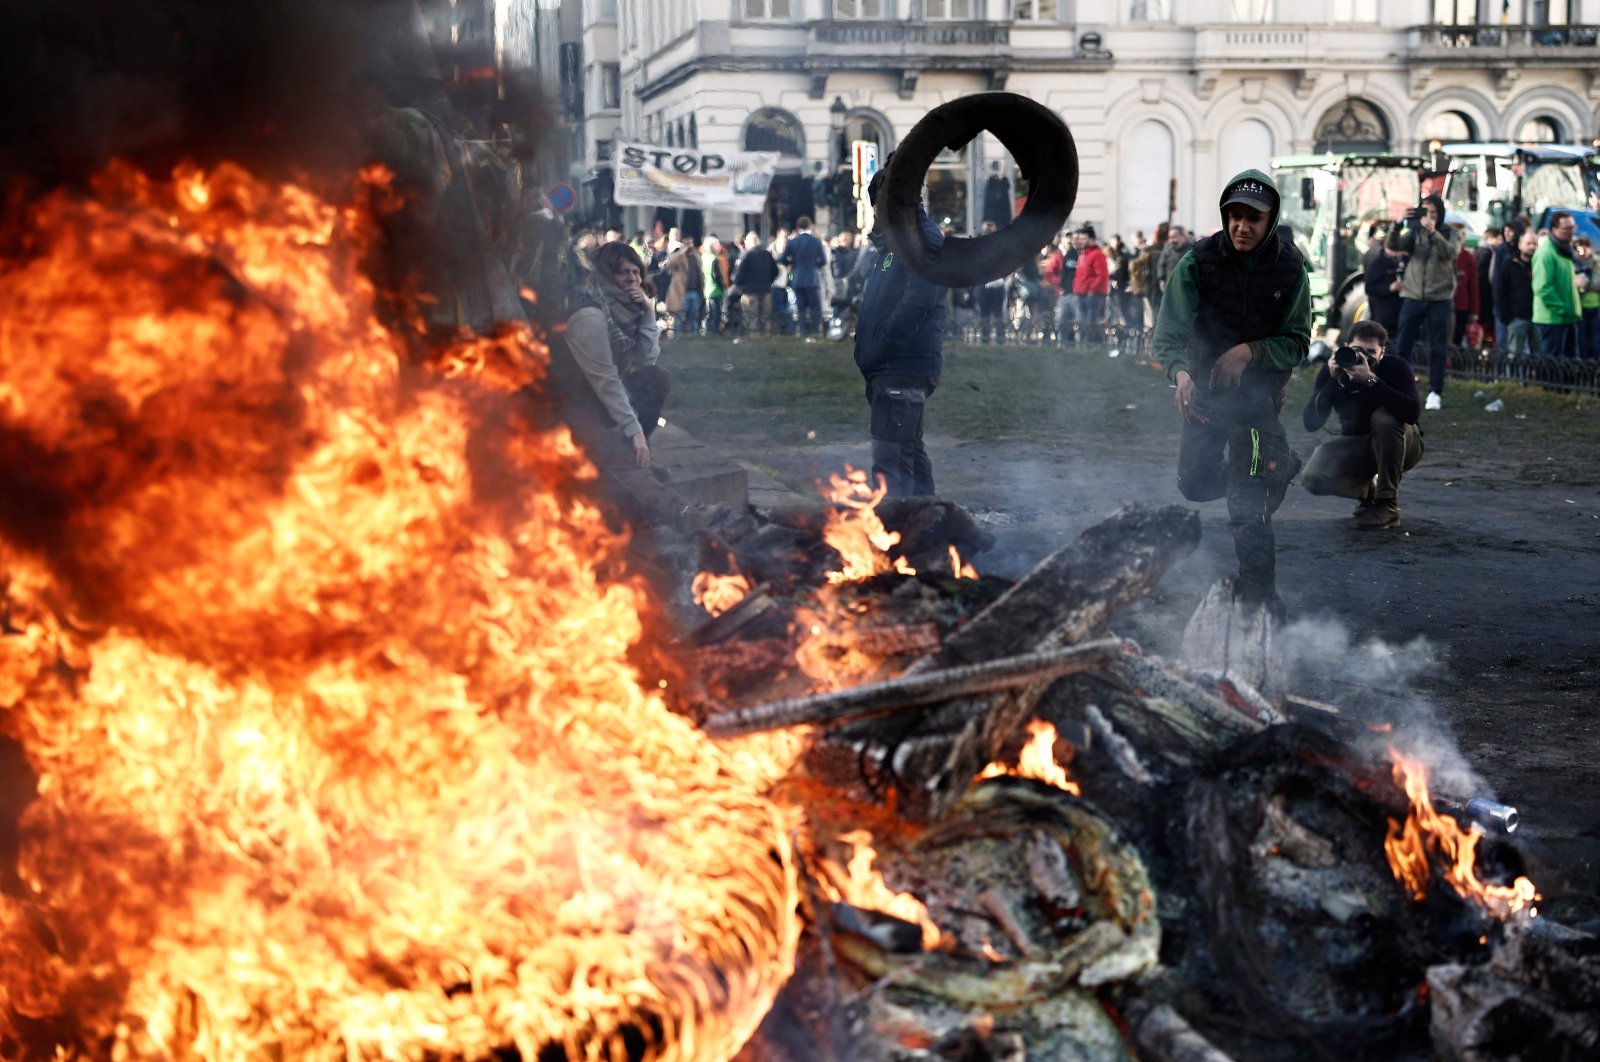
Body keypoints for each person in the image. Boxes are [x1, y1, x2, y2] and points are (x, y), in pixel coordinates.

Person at [1152, 170, 1310, 605]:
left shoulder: (1289, 269)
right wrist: (1180, 375)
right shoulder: (1197, 263)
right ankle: (1283, 464)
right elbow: (1167, 335)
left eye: (1253, 219)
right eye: (1234, 216)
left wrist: (1250, 352)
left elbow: (1298, 342)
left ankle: (1259, 600)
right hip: (1204, 397)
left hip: (1257, 405)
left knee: (1247, 506)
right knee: (1195, 484)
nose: (1242, 226)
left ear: (1271, 221)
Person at [548, 241, 679, 520]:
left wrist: (648, 315)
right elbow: (606, 379)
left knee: (657, 378)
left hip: (601, 395)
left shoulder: (628, 310)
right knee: (615, 457)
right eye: (623, 273)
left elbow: (645, 361)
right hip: (568, 401)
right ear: (606, 276)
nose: (632, 279)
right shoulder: (590, 313)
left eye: (636, 272)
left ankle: (630, 459)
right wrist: (634, 430)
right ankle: (671, 506)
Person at [854, 167, 949, 497]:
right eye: (878, 201)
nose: (880, 209)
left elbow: (922, 297)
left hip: (902, 366)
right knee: (907, 453)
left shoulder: (921, 238)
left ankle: (895, 540)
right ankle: (928, 530)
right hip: (892, 367)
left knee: (891, 466)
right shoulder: (894, 243)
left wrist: (887, 340)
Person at [1300, 320, 1424, 530]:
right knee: (1312, 477)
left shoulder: (1396, 367)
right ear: (1346, 347)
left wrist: (1372, 381)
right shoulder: (1335, 370)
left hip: (1403, 445)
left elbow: (1411, 413)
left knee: (1385, 419)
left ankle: (1387, 505)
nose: (1364, 357)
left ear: (1382, 352)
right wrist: (1332, 381)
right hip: (1359, 445)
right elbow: (1311, 423)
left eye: (1370, 352)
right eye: (1358, 350)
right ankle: (1370, 492)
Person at [1387, 194, 1458, 410]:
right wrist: (1398, 224)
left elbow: (1451, 253)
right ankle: (1402, 386)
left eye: (1434, 213)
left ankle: (1435, 391)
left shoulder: (1450, 233)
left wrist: (1434, 233)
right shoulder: (1414, 233)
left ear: (1440, 214)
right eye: (1425, 212)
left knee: (1437, 346)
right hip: (1413, 295)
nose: (1429, 216)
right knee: (1404, 344)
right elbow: (1393, 245)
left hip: (1439, 298)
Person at [1532, 211, 1582, 360]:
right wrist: (1563, 309)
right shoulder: (1546, 253)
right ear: (1554, 230)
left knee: (1569, 365)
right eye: (1567, 229)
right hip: (1552, 319)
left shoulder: (1564, 250)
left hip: (1567, 317)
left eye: (1573, 227)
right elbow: (1542, 287)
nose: (1572, 232)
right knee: (1551, 366)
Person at [1494, 228, 1538, 361]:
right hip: (1517, 316)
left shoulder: (1540, 263)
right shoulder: (1509, 264)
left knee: (1539, 356)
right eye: (1528, 243)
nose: (1531, 247)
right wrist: (1506, 315)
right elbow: (1500, 290)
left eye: (1534, 244)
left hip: (1538, 316)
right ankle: (1513, 381)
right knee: (1514, 355)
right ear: (1520, 244)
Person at [781, 216, 829, 335]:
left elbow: (782, 259)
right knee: (815, 307)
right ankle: (815, 331)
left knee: (800, 307)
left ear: (798, 227)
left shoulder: (792, 242)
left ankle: (802, 331)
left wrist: (793, 263)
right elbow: (823, 261)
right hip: (813, 278)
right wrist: (814, 265)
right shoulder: (816, 241)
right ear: (810, 226)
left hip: (798, 278)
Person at [732, 231, 779, 334]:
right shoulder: (767, 254)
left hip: (749, 292)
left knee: (751, 318)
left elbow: (738, 276)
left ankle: (754, 341)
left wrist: (740, 285)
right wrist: (768, 281)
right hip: (766, 290)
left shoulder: (747, 255)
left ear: (748, 243)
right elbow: (775, 271)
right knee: (766, 318)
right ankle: (766, 339)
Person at [1363, 227, 1404, 337]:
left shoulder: (1400, 259)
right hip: (1382, 314)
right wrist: (1389, 288)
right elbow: (1369, 288)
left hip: (1398, 313)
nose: (1396, 257)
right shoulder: (1376, 261)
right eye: (1394, 253)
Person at [972, 220, 1008, 343]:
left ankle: (999, 338)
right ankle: (986, 337)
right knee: (984, 313)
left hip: (997, 283)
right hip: (983, 283)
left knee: (997, 312)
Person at [664, 235, 705, 337]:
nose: (689, 246)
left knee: (694, 317)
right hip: (682, 293)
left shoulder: (696, 255)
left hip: (695, 291)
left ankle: (694, 338)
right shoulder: (678, 256)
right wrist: (682, 252)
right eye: (687, 243)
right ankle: (676, 337)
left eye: (691, 243)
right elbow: (669, 263)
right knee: (680, 317)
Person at [1451, 223, 1480, 348]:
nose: (1462, 237)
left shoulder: (1468, 257)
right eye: (1459, 234)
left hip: (1461, 306)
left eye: (1463, 234)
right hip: (1443, 303)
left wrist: (1474, 310)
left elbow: (1473, 285)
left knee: (1458, 340)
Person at [1474, 226, 1502, 347]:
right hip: (1484, 300)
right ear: (1490, 238)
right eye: (1499, 239)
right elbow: (1482, 280)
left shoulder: (1482, 251)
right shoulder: (1486, 253)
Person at [1575, 236, 1600, 359]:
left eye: (1585, 247)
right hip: (1580, 307)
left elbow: (1597, 284)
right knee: (1581, 339)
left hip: (1595, 306)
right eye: (1579, 247)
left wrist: (1586, 282)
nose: (1582, 250)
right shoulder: (1573, 265)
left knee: (1595, 339)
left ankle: (1594, 366)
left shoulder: (1596, 264)